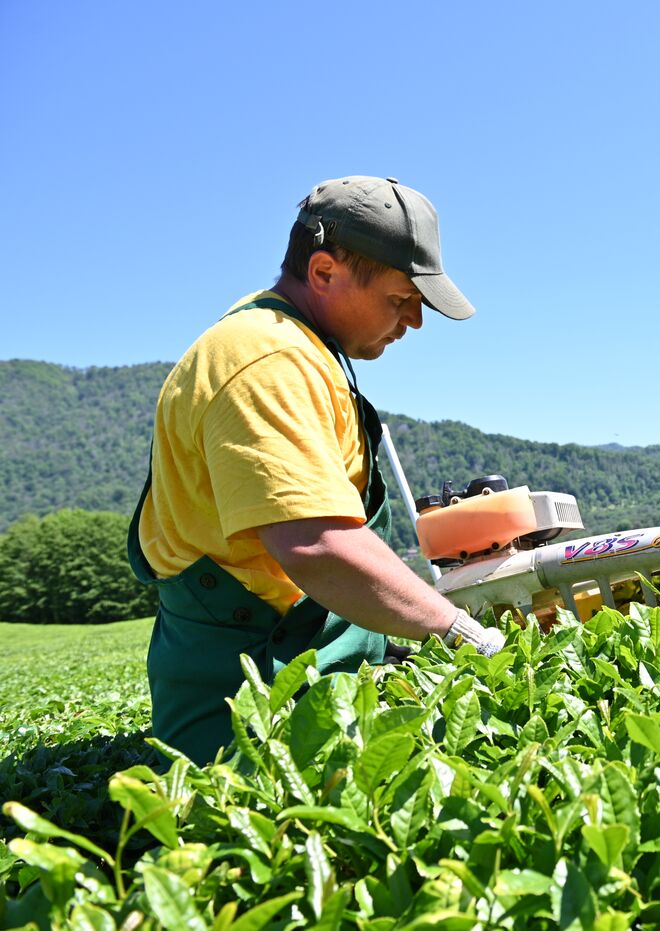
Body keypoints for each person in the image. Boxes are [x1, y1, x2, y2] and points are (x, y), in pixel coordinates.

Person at [128, 176, 506, 763]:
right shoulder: (268, 357)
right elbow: (317, 545)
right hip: (253, 688)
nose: (415, 322)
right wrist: (461, 633)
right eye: (401, 299)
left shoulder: (292, 343)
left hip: (301, 656)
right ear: (325, 272)